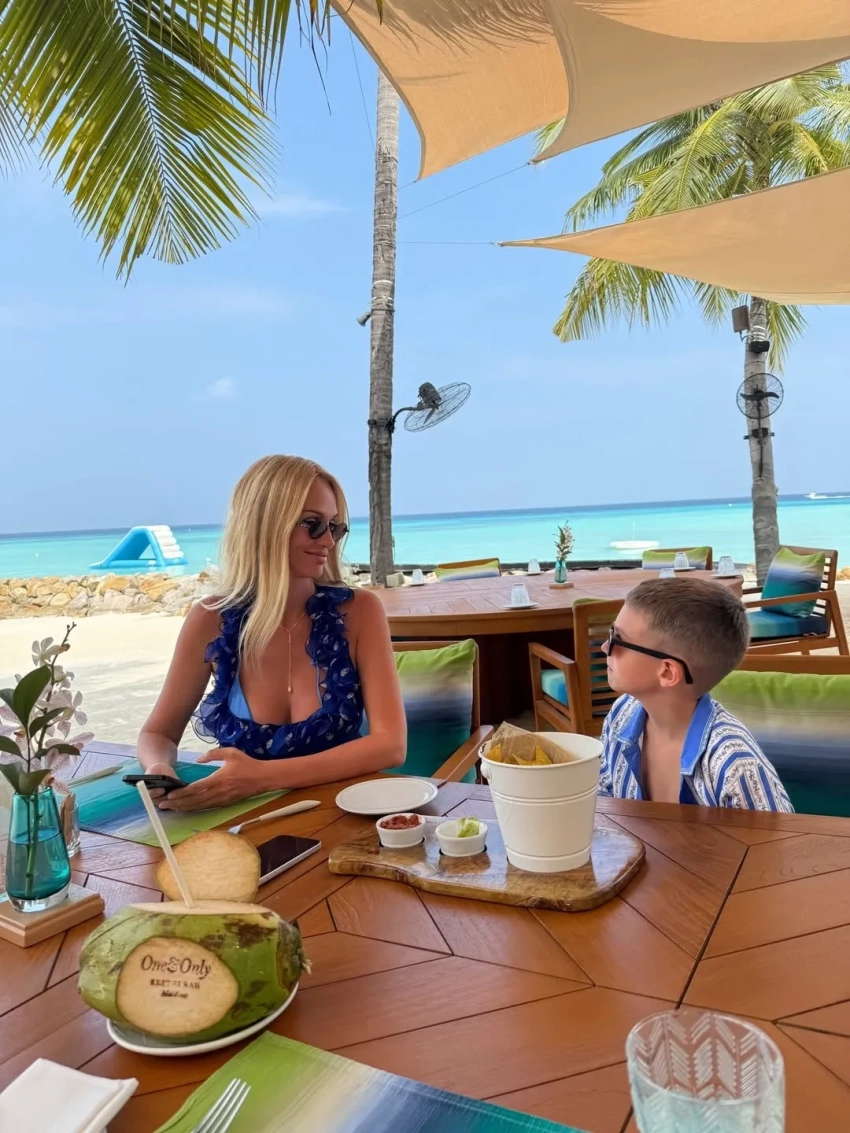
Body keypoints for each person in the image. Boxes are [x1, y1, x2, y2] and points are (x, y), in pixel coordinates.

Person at [137, 455, 406, 811]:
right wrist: (159, 768)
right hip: (246, 820)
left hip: (346, 814)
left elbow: (391, 745)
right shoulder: (210, 620)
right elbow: (158, 733)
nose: (328, 540)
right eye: (312, 524)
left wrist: (261, 778)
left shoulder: (359, 612)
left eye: (334, 526)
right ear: (265, 524)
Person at [599, 576, 792, 811]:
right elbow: (605, 797)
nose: (605, 647)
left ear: (668, 672)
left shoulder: (736, 767)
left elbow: (774, 836)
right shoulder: (622, 713)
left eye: (618, 639)